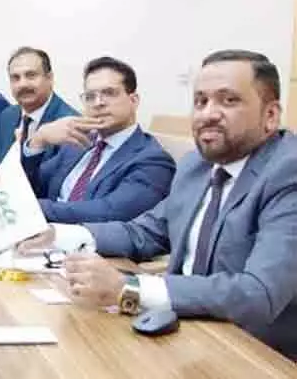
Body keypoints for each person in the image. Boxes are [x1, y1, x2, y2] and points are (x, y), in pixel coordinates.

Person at [20, 50, 297, 359]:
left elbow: (257, 294)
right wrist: (56, 235)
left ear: (270, 115)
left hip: (255, 354)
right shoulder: (196, 165)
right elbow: (147, 232)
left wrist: (129, 288)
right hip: (185, 331)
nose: (208, 114)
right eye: (200, 101)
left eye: (228, 100)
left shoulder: (288, 173)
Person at [22, 57, 175, 223]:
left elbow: (110, 211)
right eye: (90, 96)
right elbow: (31, 186)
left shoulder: (153, 160)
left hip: (83, 236)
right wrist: (38, 140)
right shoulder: (78, 142)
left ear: (134, 101)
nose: (98, 103)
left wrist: (32, 208)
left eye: (109, 93)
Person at [0, 46, 78, 173]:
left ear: (49, 78)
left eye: (31, 75)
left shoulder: (69, 125)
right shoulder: (8, 115)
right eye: (15, 78)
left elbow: (55, 180)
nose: (22, 84)